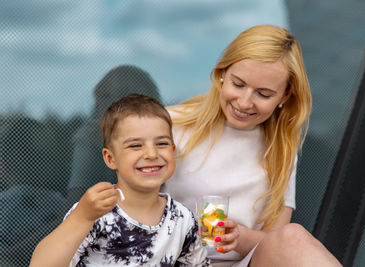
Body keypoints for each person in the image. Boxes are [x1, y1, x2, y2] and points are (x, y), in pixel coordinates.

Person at [163, 24, 342, 266]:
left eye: (264, 94)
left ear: (285, 96)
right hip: (173, 260)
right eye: (238, 84)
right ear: (222, 73)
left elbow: (275, 240)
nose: (245, 102)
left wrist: (241, 237)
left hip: (241, 262)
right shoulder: (169, 124)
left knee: (293, 237)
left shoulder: (281, 148)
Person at [30, 94, 210, 266]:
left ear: (172, 150)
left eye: (161, 143)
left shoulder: (182, 218)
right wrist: (81, 217)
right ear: (110, 159)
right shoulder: (95, 212)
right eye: (135, 145)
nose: (151, 154)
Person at [67, 65, 161, 207]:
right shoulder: (168, 140)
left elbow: (75, 208)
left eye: (105, 96)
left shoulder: (92, 137)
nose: (97, 104)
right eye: (98, 97)